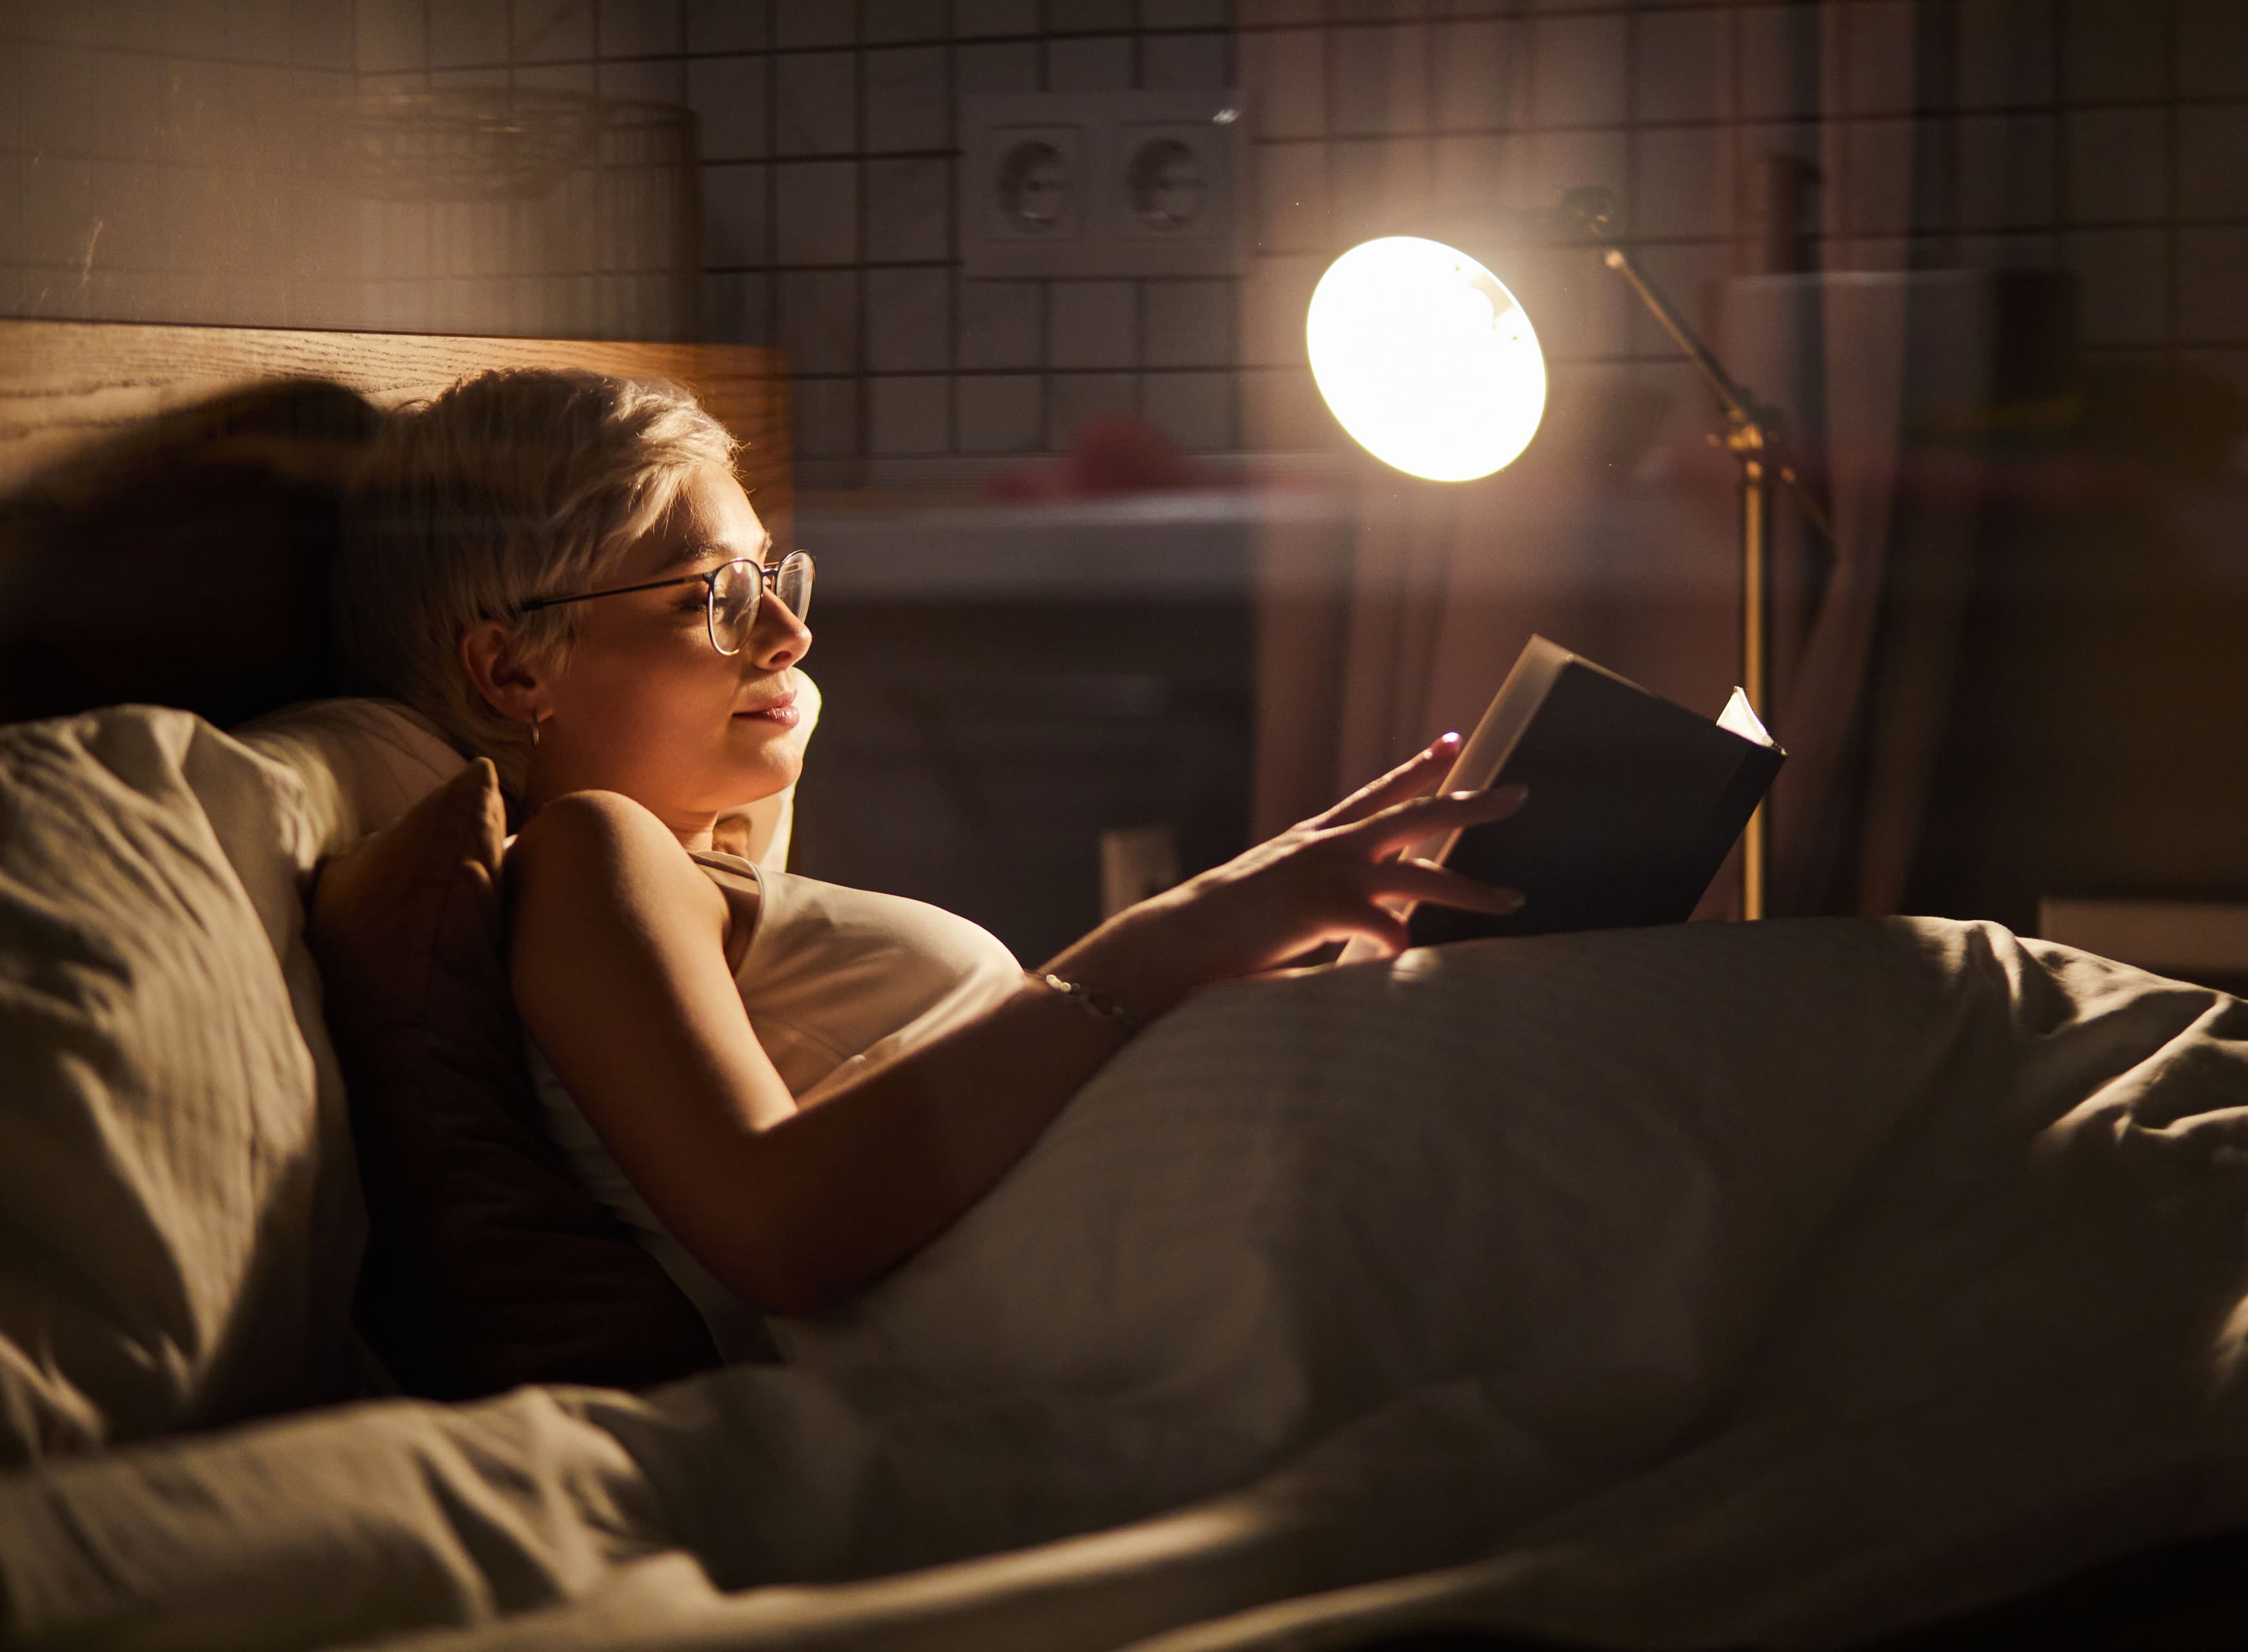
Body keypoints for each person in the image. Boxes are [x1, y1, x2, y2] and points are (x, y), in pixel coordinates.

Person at [334, 368, 1526, 1353]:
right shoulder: (594, 853)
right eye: (718, 594)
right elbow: (779, 1228)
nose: (791, 632)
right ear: (514, 672)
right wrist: (1164, 944)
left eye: (773, 576)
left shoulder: (709, 870)